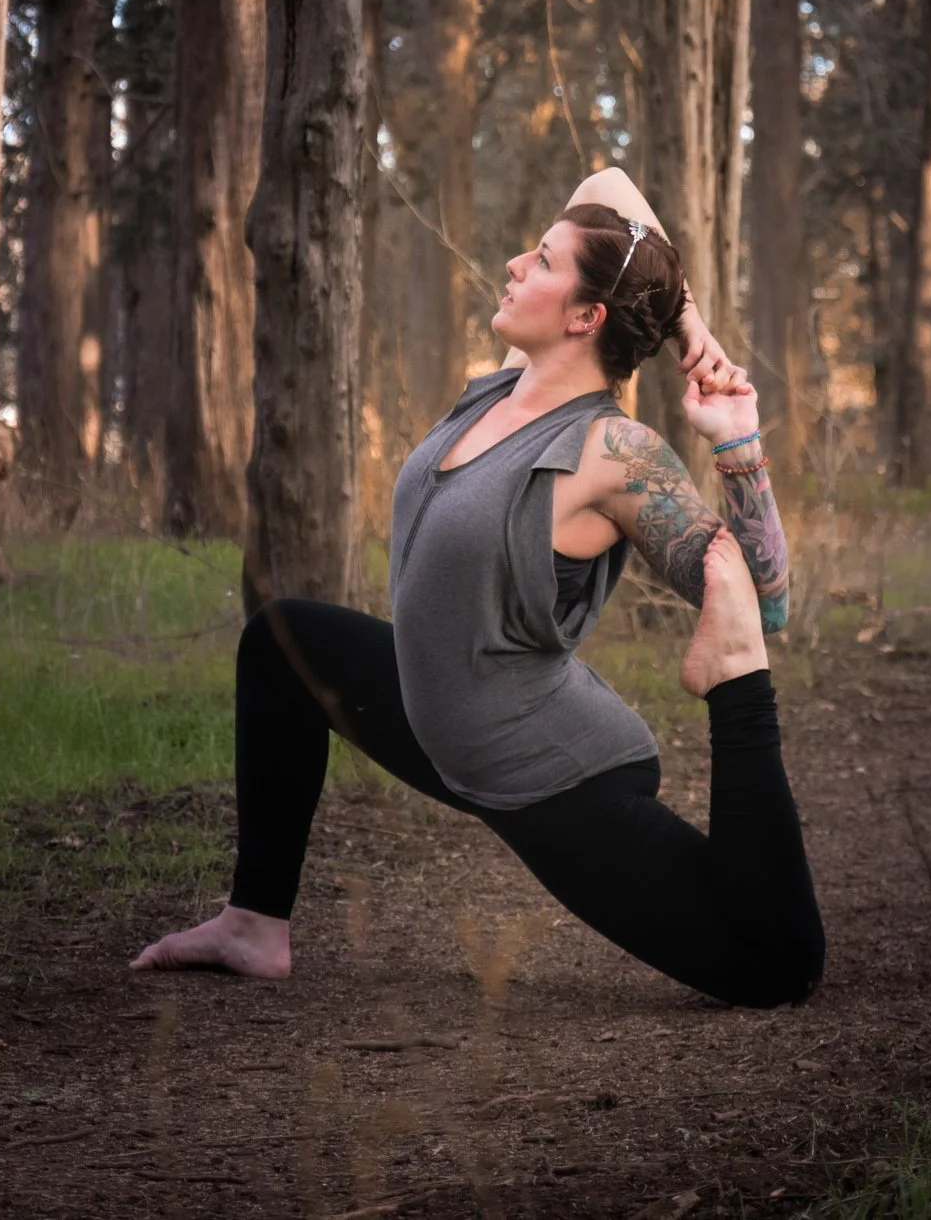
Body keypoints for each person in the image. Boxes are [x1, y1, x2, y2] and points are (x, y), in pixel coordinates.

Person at [132, 169, 824, 1008]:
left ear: (585, 315)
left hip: (551, 773)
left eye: (540, 260)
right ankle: (253, 926)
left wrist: (736, 441)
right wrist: (689, 324)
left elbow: (766, 596)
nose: (512, 263)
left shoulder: (613, 453)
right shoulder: (508, 385)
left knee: (776, 966)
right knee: (282, 640)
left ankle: (734, 683)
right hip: (440, 722)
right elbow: (607, 180)